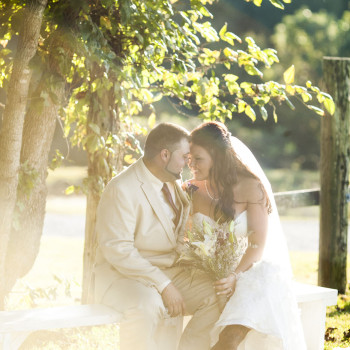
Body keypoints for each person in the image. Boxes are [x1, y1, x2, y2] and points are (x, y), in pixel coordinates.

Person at [93, 122, 221, 350]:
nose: (188, 163)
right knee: (149, 305)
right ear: (165, 155)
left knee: (215, 294)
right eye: (184, 157)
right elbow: (118, 250)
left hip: (170, 270)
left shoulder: (172, 180)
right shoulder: (121, 189)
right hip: (122, 277)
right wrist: (164, 285)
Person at [185, 121, 306, 350]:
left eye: (198, 159)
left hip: (248, 267)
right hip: (210, 273)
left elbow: (257, 244)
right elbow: (185, 237)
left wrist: (234, 275)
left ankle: (227, 342)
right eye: (189, 158)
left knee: (263, 278)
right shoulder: (190, 189)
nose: (191, 165)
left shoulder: (251, 186)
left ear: (218, 156)